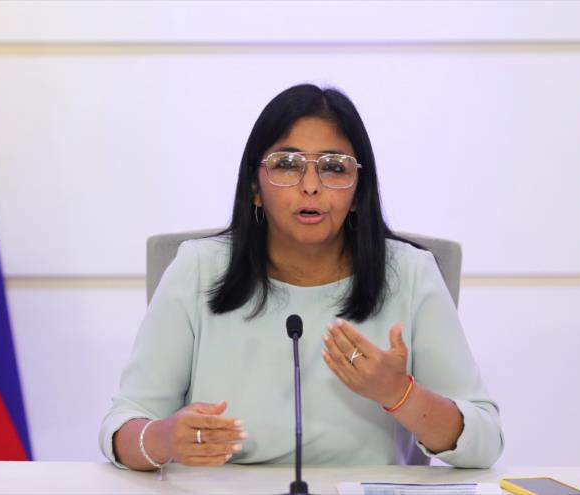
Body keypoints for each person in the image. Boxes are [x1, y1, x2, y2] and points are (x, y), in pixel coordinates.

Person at [99, 84, 504, 471]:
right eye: (287, 165)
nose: (311, 186)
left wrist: (401, 395)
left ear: (358, 189)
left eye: (333, 167)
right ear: (255, 188)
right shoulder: (198, 269)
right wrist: (163, 439)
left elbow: (484, 442)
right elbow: (122, 427)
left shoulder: (411, 274)